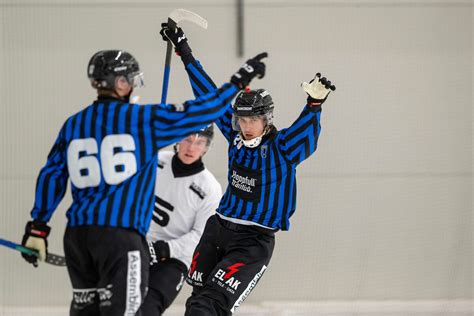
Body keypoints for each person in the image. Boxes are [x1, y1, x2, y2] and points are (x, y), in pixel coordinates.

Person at [20, 43, 267, 315]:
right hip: (120, 237)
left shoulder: (74, 123)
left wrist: (37, 227)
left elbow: (52, 175)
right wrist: (238, 81)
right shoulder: (142, 120)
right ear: (122, 82)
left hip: (78, 237)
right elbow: (201, 111)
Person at [165, 24, 337, 314]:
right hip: (217, 229)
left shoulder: (282, 147)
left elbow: (306, 137)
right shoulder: (235, 138)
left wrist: (314, 104)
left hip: (252, 241)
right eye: (241, 120)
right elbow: (211, 98)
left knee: (210, 306)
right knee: (197, 299)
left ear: (266, 119)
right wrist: (184, 51)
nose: (245, 127)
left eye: (252, 120)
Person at [139, 124, 222, 316]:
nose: (191, 148)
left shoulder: (210, 188)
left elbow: (201, 236)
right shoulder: (155, 162)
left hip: (173, 260)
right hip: (138, 247)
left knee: (147, 309)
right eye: (187, 139)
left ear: (207, 147)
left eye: (199, 142)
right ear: (177, 140)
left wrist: (164, 249)